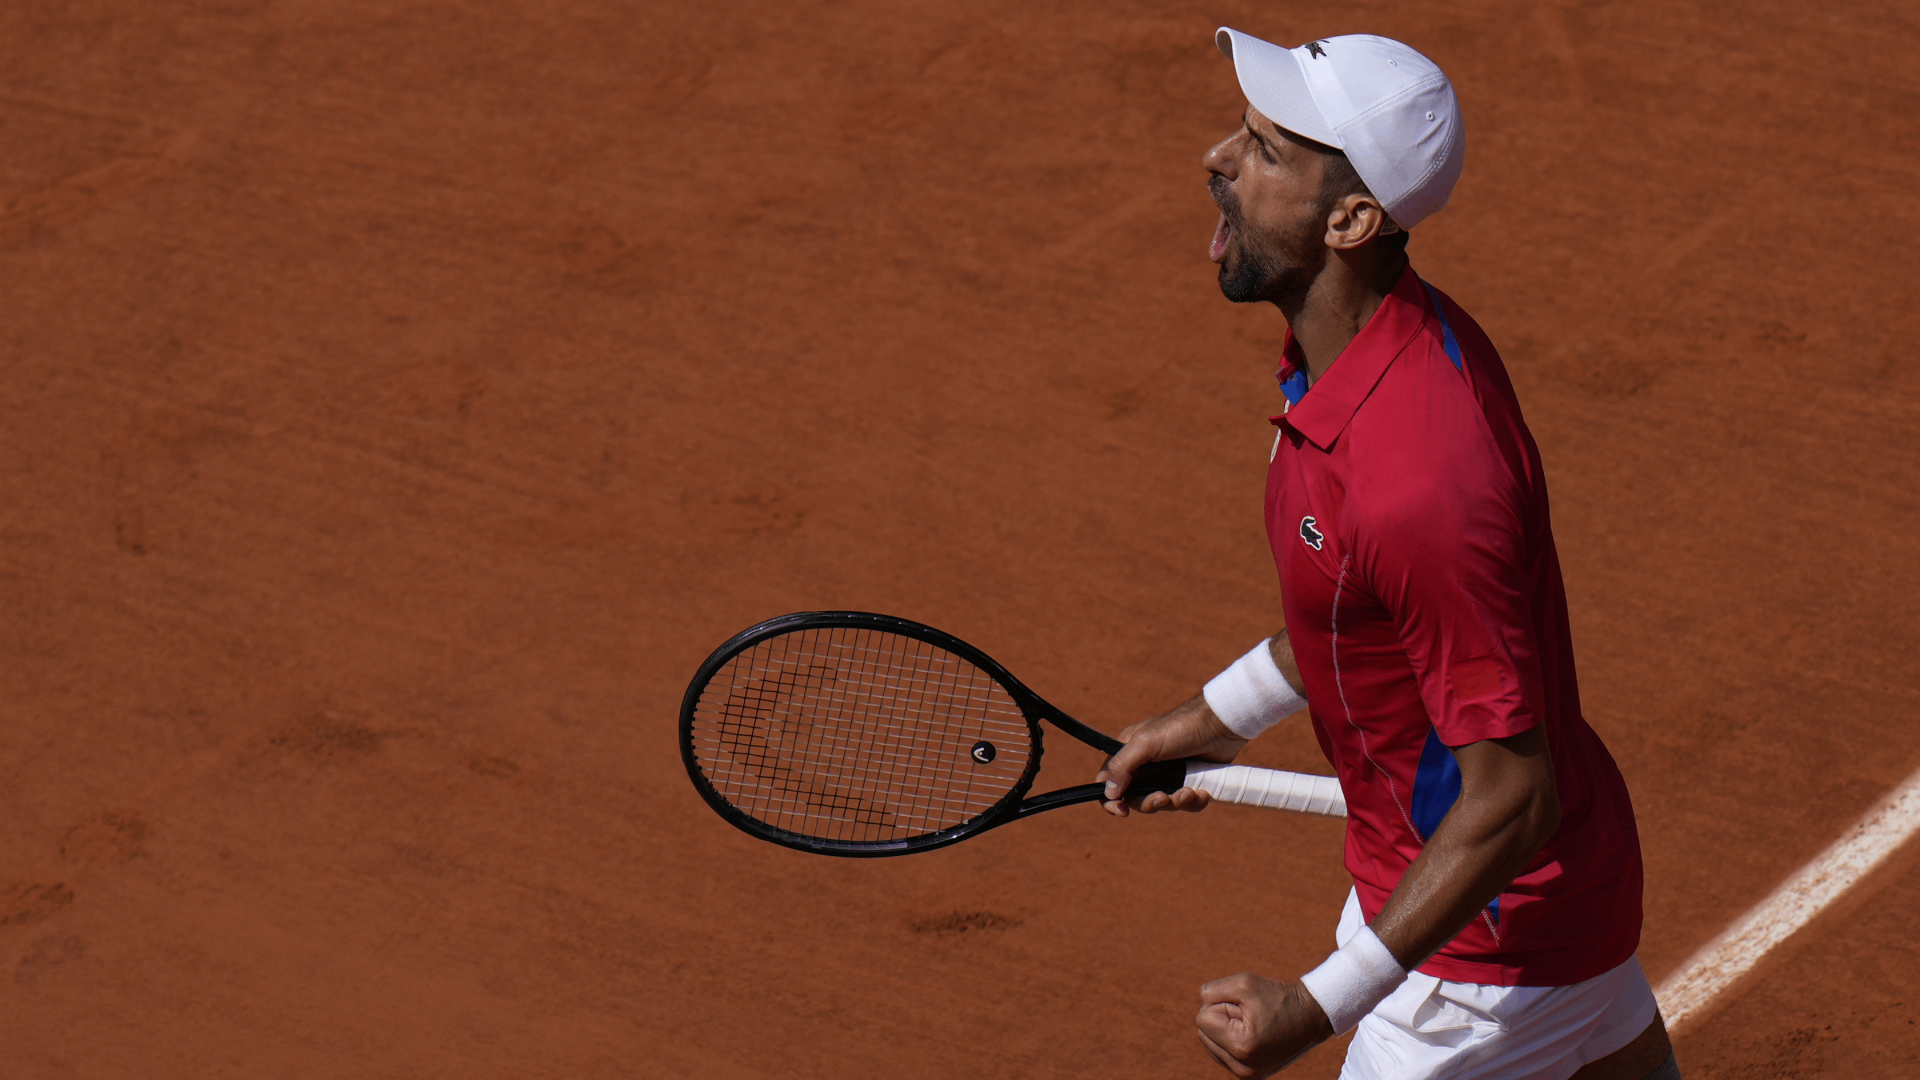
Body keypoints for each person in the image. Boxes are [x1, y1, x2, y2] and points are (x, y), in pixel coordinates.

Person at [1095, 30, 1681, 1080]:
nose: (1217, 159)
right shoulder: (1361, 360)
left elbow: (1514, 799)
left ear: (1352, 219)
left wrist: (1317, 1005)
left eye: (1267, 151)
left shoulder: (1420, 475)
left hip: (1483, 955)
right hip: (1515, 895)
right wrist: (1206, 722)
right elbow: (1353, 612)